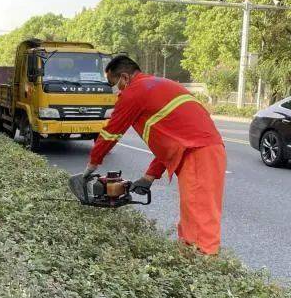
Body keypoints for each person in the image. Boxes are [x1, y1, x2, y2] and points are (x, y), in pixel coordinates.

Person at [83, 56, 226, 255]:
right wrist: (149, 177)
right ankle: (188, 260)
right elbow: (173, 139)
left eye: (113, 84)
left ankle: (205, 268)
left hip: (198, 152)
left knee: (201, 218)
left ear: (124, 77)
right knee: (192, 213)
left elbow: (111, 132)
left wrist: (92, 164)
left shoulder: (134, 92)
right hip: (200, 149)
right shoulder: (158, 85)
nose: (114, 90)